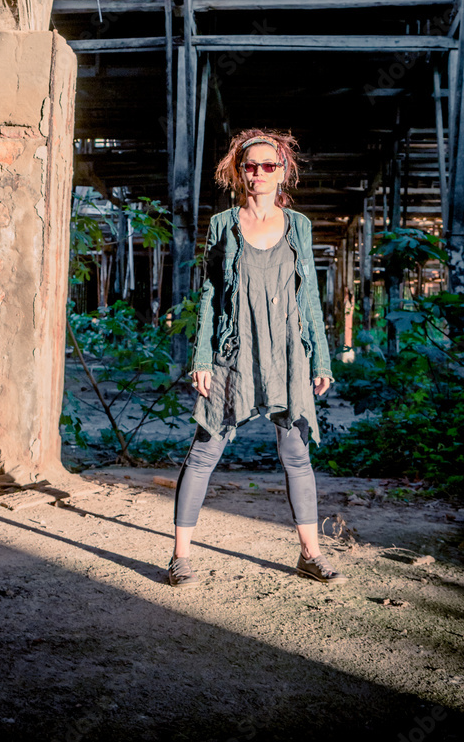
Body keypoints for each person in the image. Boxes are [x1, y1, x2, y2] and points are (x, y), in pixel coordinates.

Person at [168, 129, 346, 588]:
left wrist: (321, 359)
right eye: (251, 166)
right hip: (234, 349)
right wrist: (202, 355)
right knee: (205, 448)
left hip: (288, 352)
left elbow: (310, 299)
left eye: (269, 166)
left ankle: (311, 554)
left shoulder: (300, 226)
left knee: (297, 454)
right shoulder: (223, 225)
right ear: (238, 172)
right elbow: (209, 294)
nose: (259, 173)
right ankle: (180, 558)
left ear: (283, 171)